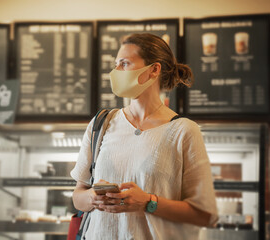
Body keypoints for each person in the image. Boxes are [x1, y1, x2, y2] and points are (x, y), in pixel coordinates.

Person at [70, 33, 218, 239]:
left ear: (153, 70)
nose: (116, 71)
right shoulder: (101, 124)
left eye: (124, 64)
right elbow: (78, 197)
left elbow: (204, 215)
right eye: (116, 64)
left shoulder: (184, 131)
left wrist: (149, 202)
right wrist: (94, 198)